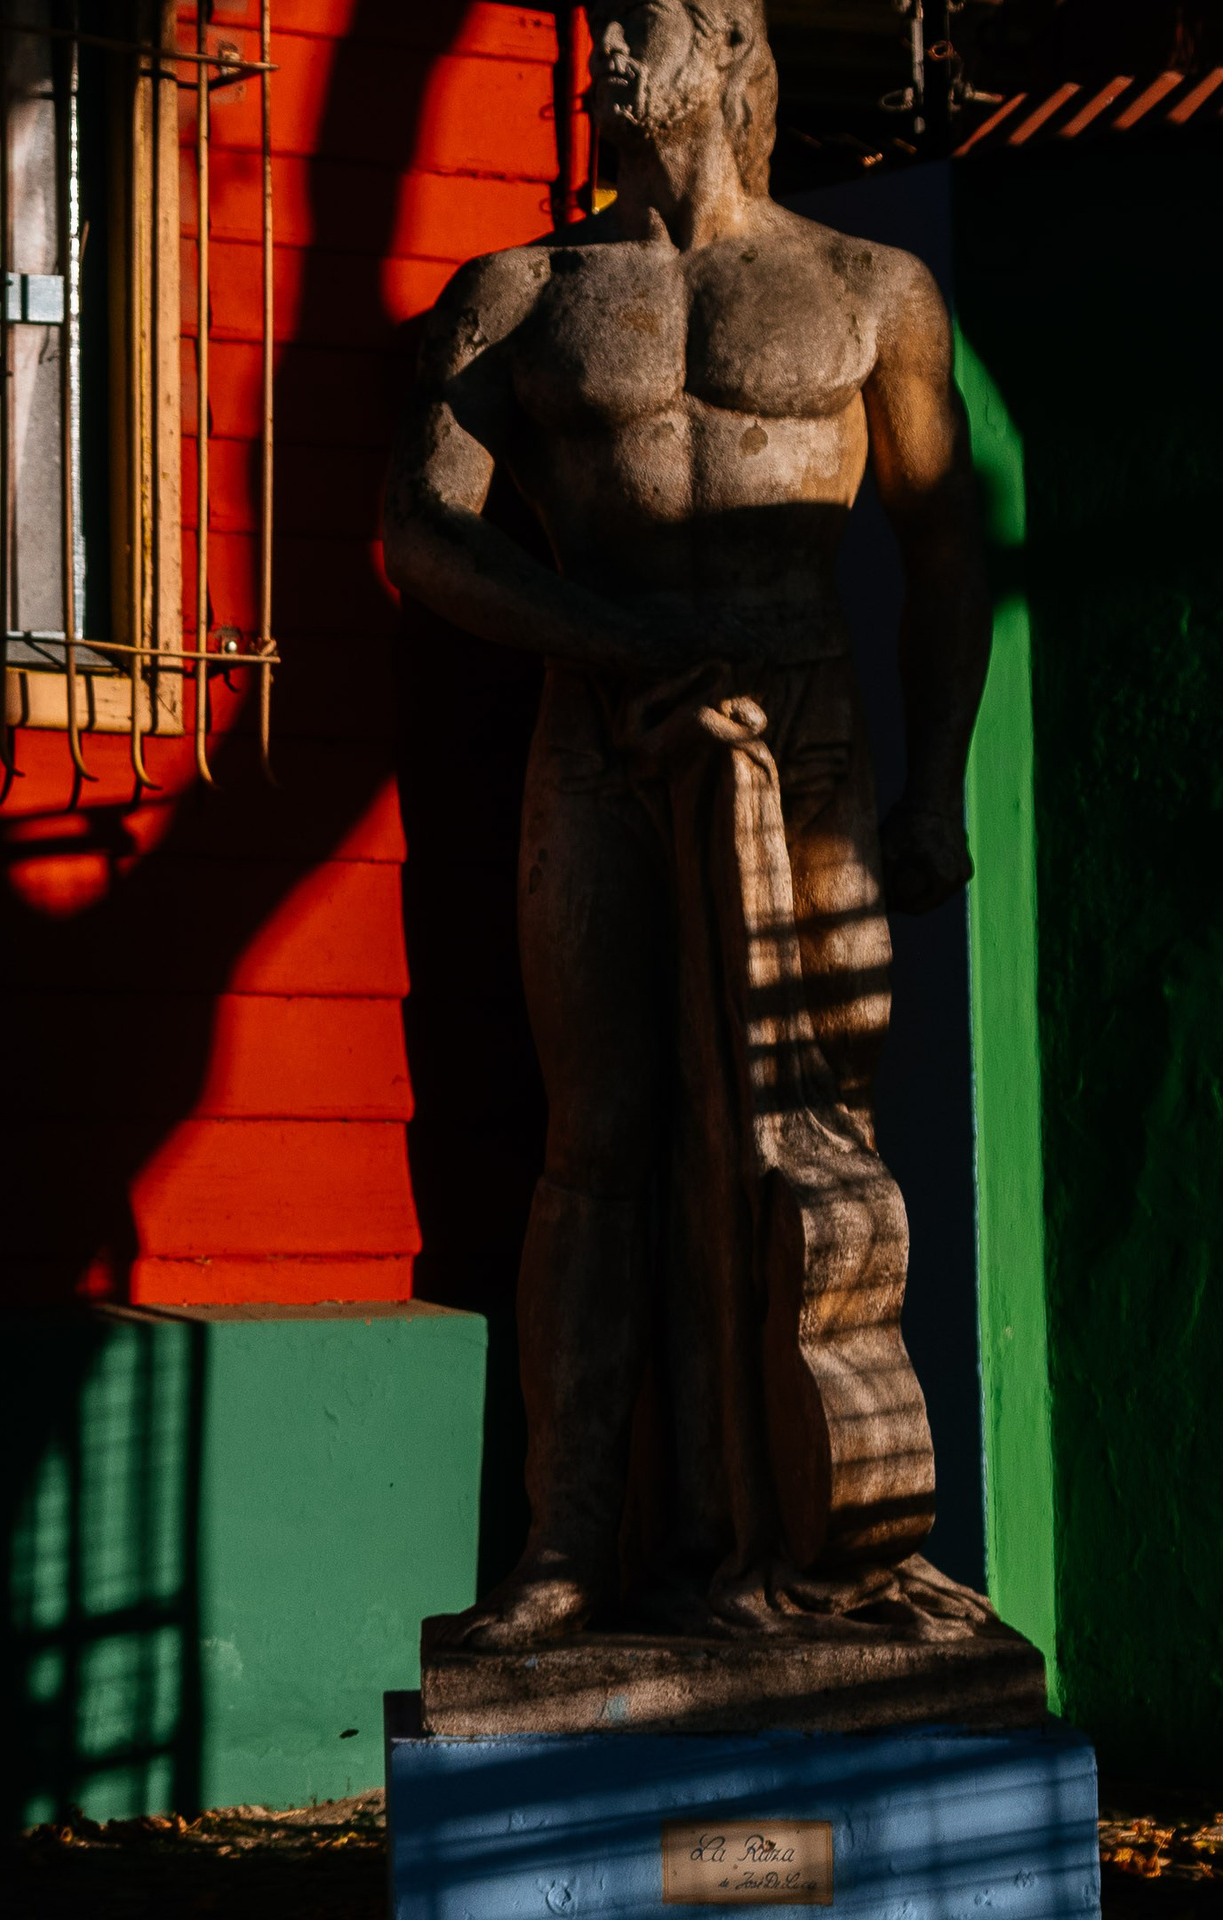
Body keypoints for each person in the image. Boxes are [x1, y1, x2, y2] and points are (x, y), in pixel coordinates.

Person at [382, 0, 993, 1645]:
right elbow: (421, 538)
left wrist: (936, 786)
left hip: (805, 748)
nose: (602, 52)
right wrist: (622, 646)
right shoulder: (522, 296)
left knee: (818, 1134)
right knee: (599, 1142)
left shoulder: (873, 291)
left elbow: (949, 547)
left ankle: (845, 1531)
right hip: (600, 740)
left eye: (640, 22)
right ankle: (569, 1547)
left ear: (728, 48)